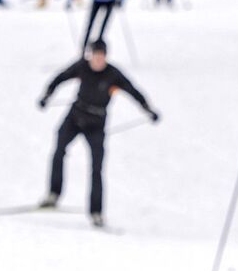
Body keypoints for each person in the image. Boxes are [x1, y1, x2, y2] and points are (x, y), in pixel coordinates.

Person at [37, 39, 158, 226]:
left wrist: (148, 109)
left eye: (101, 56)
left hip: (96, 123)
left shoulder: (113, 74)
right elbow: (60, 78)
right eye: (95, 56)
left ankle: (96, 212)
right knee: (59, 150)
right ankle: (53, 194)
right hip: (75, 117)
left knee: (97, 167)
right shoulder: (82, 67)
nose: (98, 60)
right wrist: (47, 95)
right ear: (90, 55)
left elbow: (133, 91)